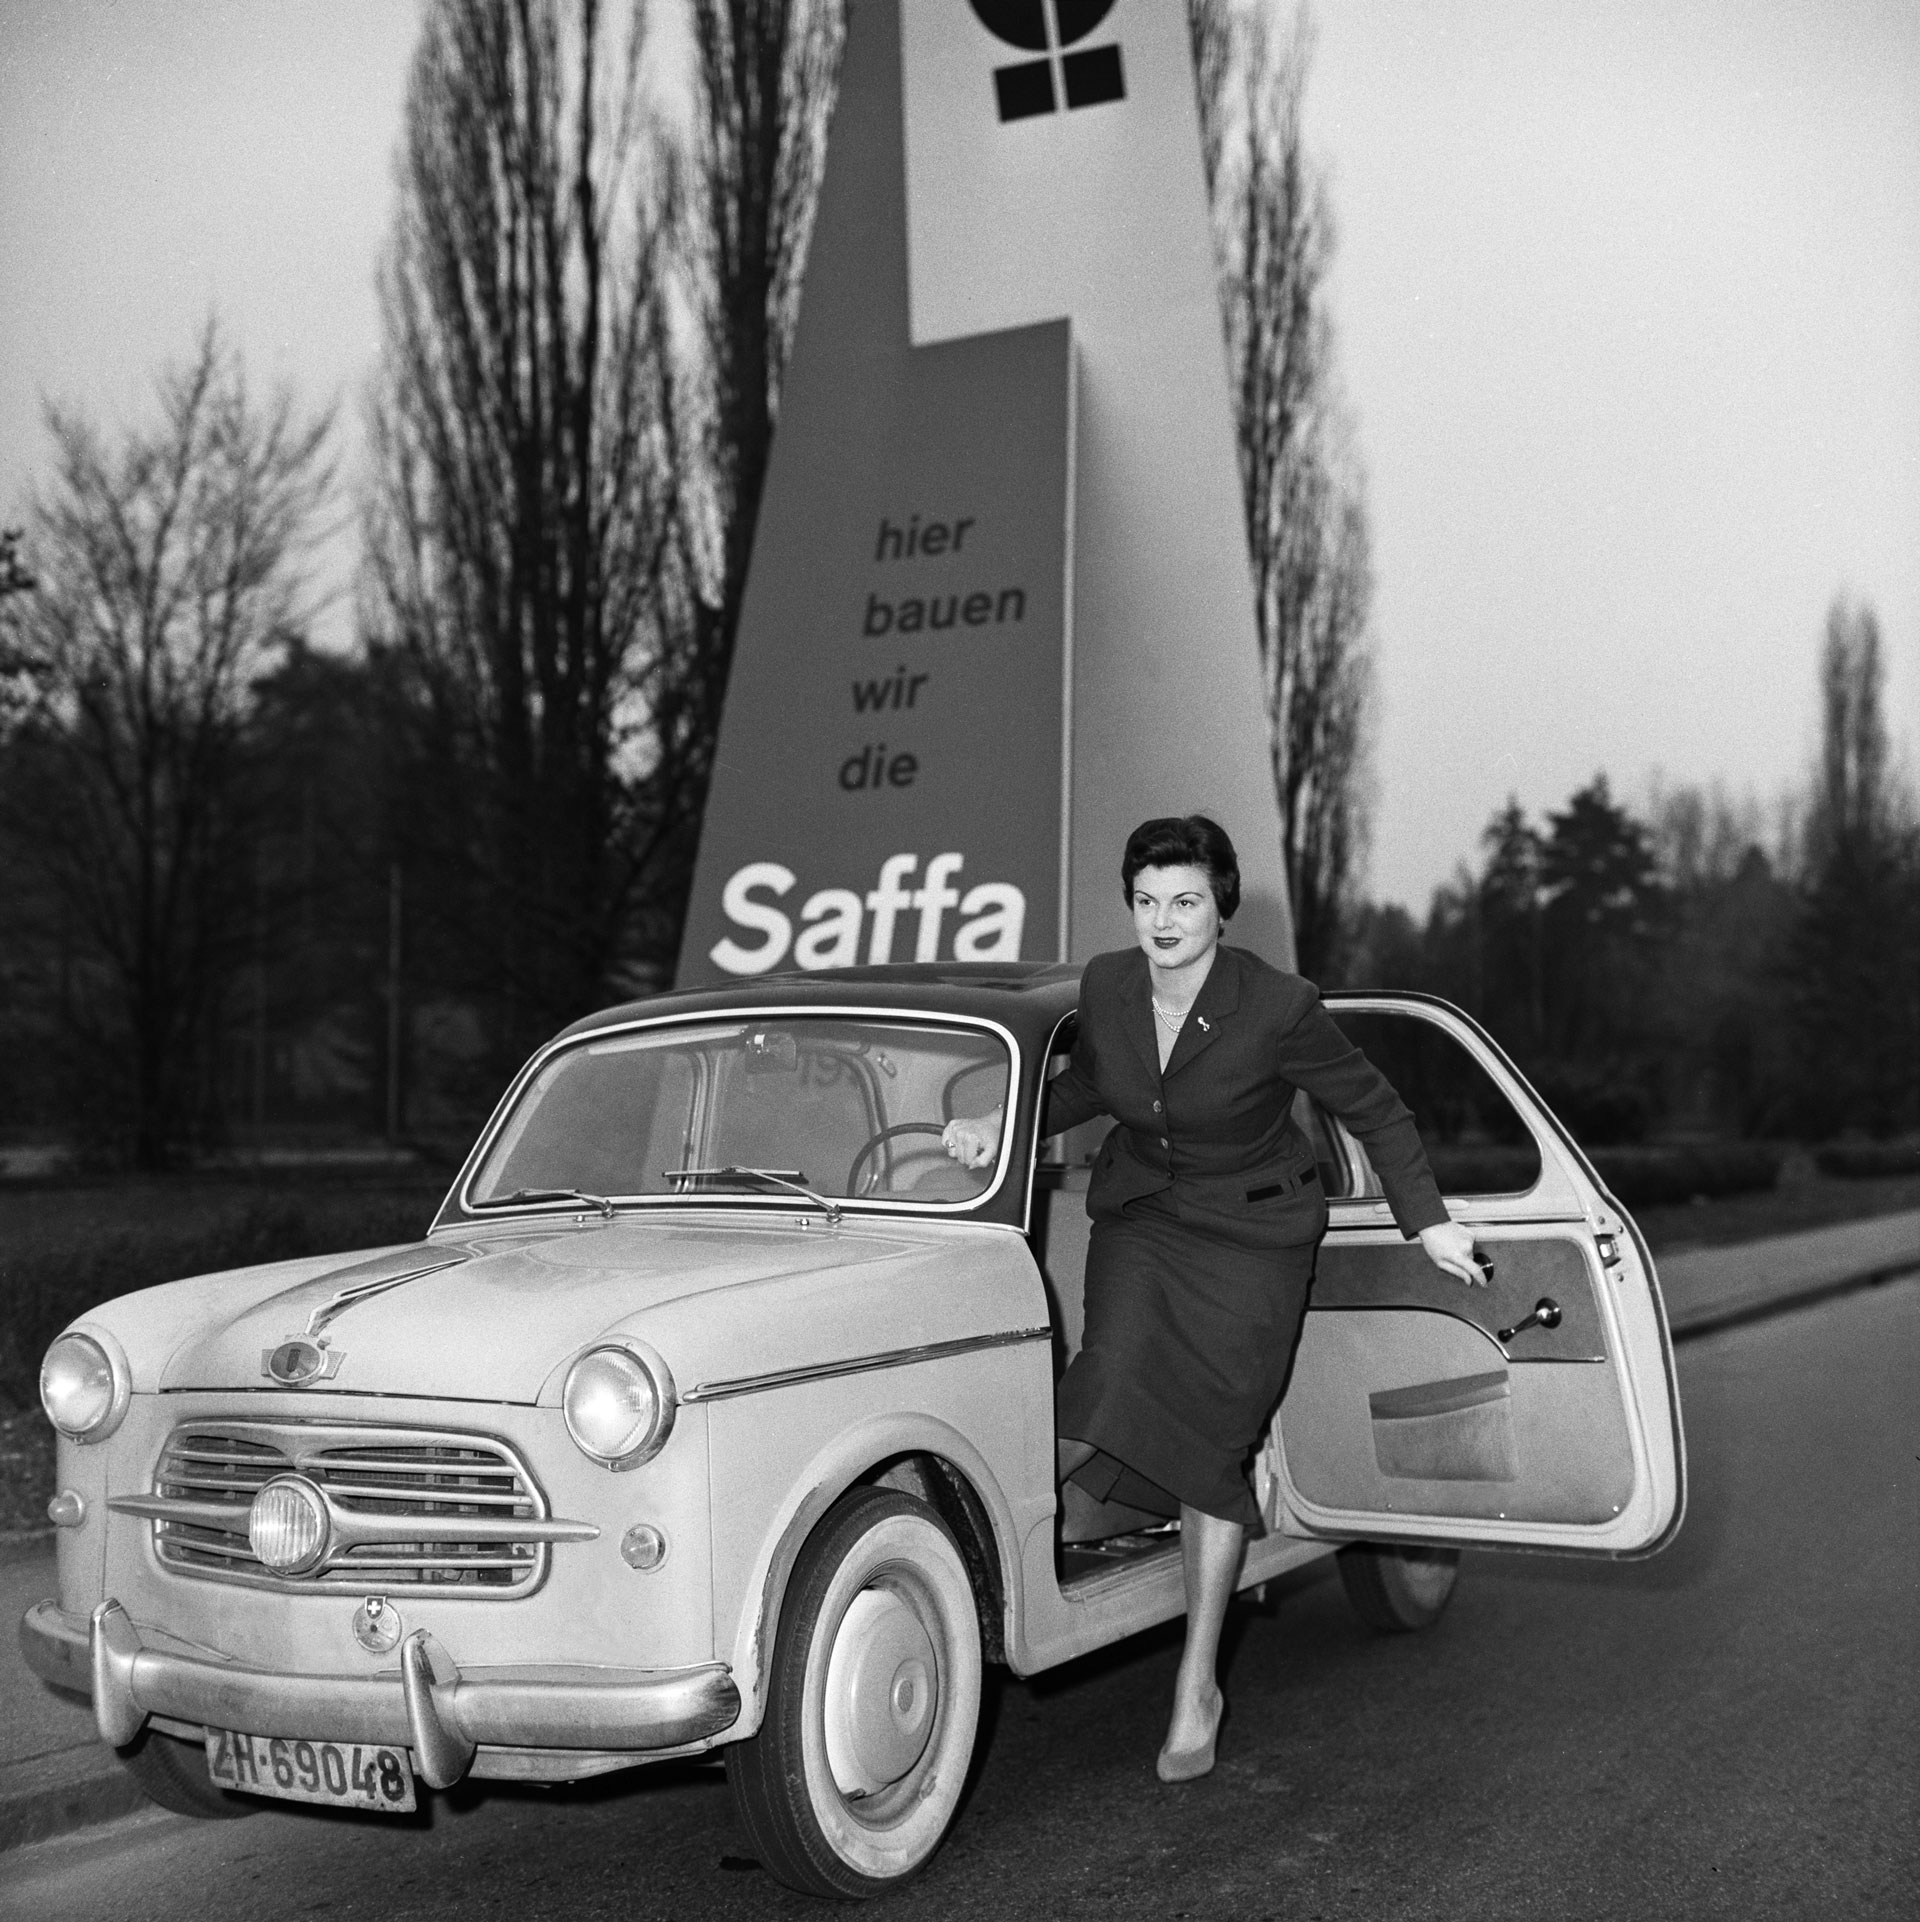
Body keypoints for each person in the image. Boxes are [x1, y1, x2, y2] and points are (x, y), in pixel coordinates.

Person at [942, 815, 1484, 1782]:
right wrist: (1001, 1119)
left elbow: (1375, 1108)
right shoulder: (1110, 985)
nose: (1163, 922)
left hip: (1252, 1239)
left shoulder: (1278, 1007)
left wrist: (1428, 1222)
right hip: (1145, 1222)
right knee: (1105, 1377)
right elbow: (1089, 1086)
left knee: (1214, 1440)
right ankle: (1014, 1555)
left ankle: (1198, 1682)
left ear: (1220, 907)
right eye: (1146, 901)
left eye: (1184, 901)